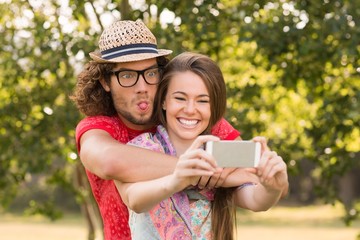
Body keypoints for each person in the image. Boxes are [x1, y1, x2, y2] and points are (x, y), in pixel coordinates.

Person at [71, 19, 249, 240]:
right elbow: (109, 161)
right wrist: (199, 171)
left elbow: (247, 160)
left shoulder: (187, 117)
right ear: (106, 81)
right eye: (127, 75)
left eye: (151, 73)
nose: (142, 87)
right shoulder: (99, 127)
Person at [114, 52, 288, 240]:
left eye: (203, 101)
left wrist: (272, 187)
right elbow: (134, 200)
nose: (190, 110)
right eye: (180, 98)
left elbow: (255, 200)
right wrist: (178, 179)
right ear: (163, 100)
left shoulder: (219, 154)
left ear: (214, 107)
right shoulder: (140, 148)